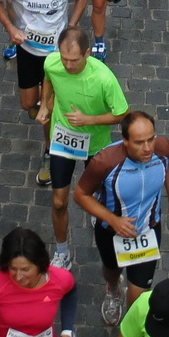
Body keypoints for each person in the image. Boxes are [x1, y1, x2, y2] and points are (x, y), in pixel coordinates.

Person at [75, 109, 169, 326]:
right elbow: (80, 195)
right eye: (139, 142)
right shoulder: (105, 162)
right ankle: (113, 290)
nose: (147, 148)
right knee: (111, 271)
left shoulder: (162, 148)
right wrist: (113, 220)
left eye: (150, 139)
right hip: (111, 232)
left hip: (148, 229)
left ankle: (129, 335)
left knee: (139, 294)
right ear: (124, 141)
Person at [0, 0, 87, 178]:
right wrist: (11, 28)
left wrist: (71, 26)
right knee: (27, 104)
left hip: (56, 56)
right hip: (29, 50)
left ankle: (49, 150)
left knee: (48, 108)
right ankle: (46, 114)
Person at [37, 26, 128, 267]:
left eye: (74, 60)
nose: (68, 65)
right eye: (64, 59)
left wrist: (90, 120)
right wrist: (46, 105)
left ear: (87, 53)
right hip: (63, 138)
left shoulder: (104, 78)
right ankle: (62, 251)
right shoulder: (52, 63)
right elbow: (48, 78)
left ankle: (95, 206)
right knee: (58, 201)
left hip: (95, 144)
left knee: (96, 194)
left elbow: (122, 113)